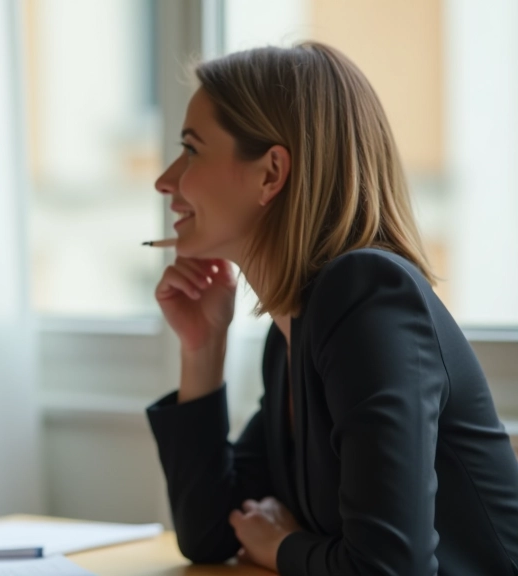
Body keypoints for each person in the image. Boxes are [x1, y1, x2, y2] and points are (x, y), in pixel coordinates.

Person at [146, 42, 518, 575]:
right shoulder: (292, 333)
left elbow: (388, 568)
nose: (166, 182)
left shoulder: (367, 296)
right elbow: (209, 531)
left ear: (271, 173)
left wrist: (278, 547)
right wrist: (202, 348)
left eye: (191, 149)